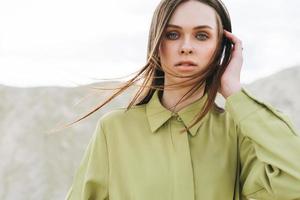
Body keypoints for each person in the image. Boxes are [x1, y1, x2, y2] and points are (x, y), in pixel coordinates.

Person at [65, 0, 300, 199]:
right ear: (157, 44)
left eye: (201, 36)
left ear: (221, 48)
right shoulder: (114, 131)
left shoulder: (239, 132)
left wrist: (234, 92)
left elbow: (294, 180)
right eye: (173, 34)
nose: (186, 47)